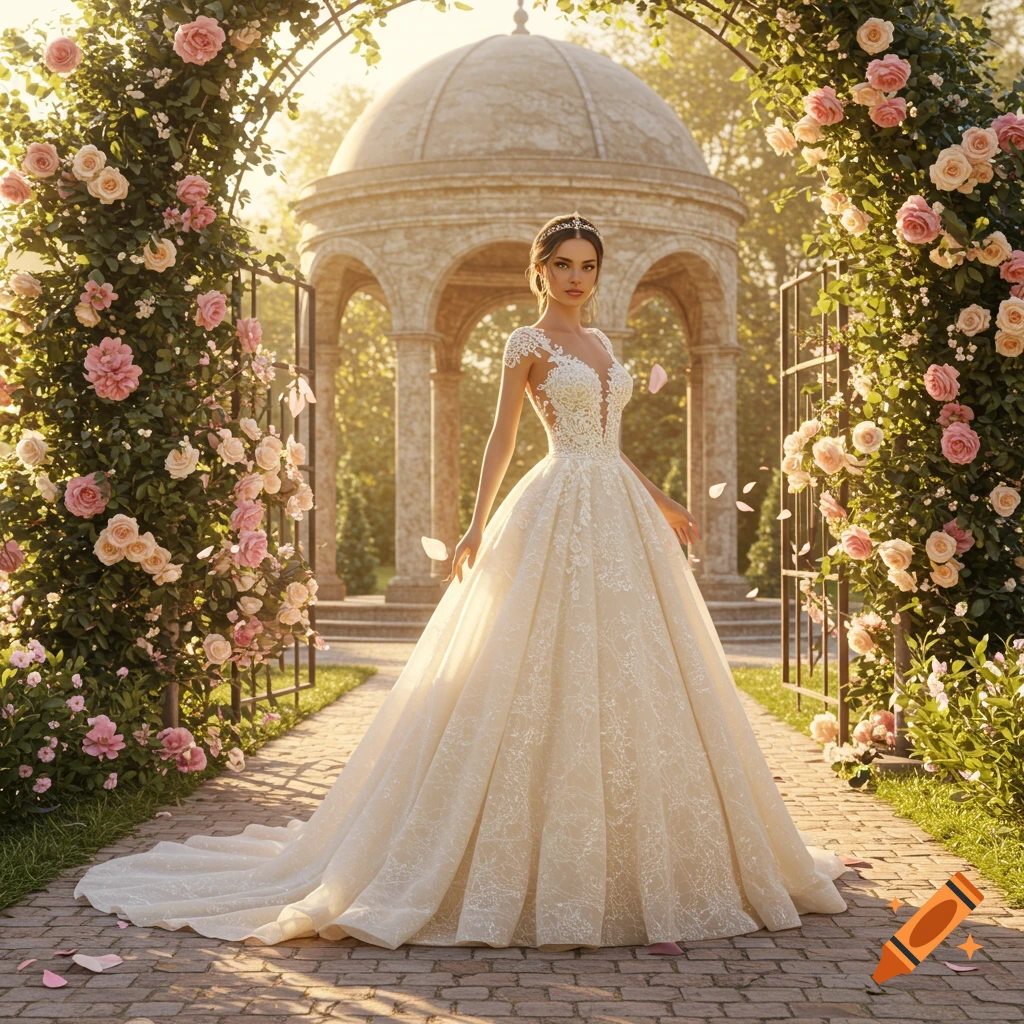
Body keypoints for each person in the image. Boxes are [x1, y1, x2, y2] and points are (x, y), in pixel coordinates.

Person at [73, 212, 848, 953]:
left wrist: (665, 499)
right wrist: (477, 521)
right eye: (563, 265)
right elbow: (505, 436)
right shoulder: (527, 342)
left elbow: (608, 441)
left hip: (618, 507)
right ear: (539, 269)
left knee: (633, 668)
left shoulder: (603, 341)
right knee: (535, 662)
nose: (576, 278)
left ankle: (647, 846)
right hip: (557, 507)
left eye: (588, 267)